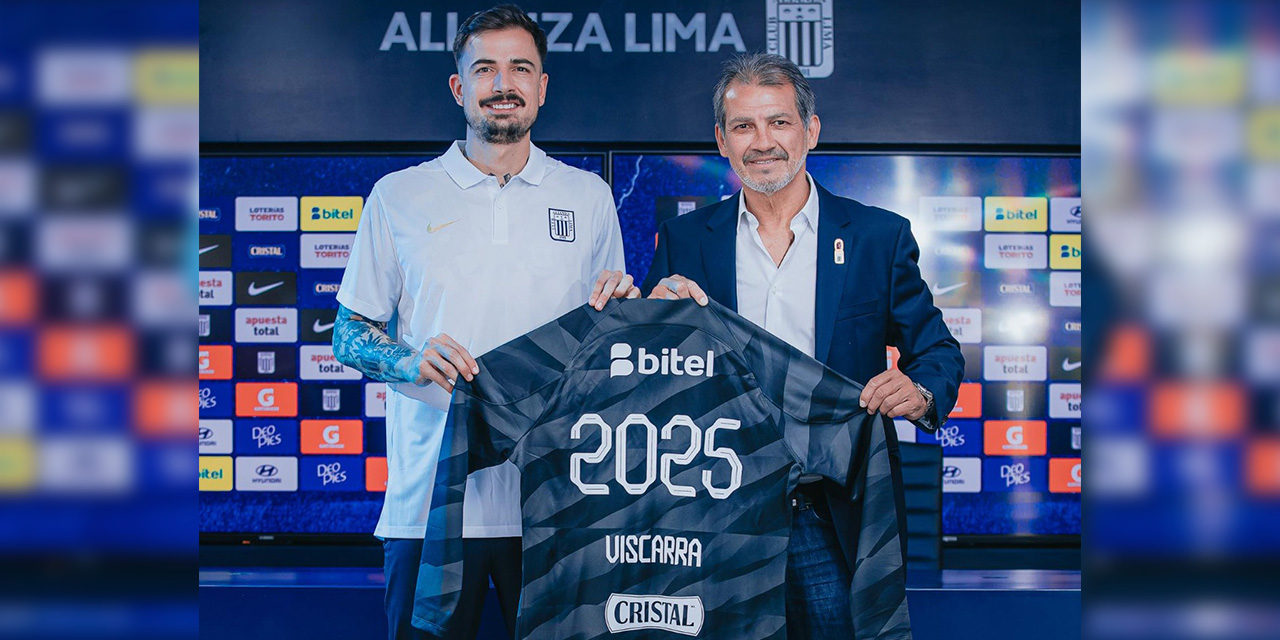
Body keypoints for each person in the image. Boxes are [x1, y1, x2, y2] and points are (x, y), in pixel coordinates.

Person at [332, 6, 639, 639]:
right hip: (429, 506)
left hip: (560, 505)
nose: (504, 84)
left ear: (542, 86)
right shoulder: (398, 194)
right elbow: (348, 333)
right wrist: (410, 359)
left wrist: (630, 315)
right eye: (485, 69)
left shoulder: (588, 196)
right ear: (459, 87)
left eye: (520, 68)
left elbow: (609, 347)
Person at [640, 53, 963, 639]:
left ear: (811, 130)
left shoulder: (877, 237)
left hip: (829, 511)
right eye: (743, 127)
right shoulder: (685, 241)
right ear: (721, 141)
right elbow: (649, 373)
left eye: (779, 123)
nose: (762, 142)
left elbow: (938, 352)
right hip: (713, 510)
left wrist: (917, 390)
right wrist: (653, 318)